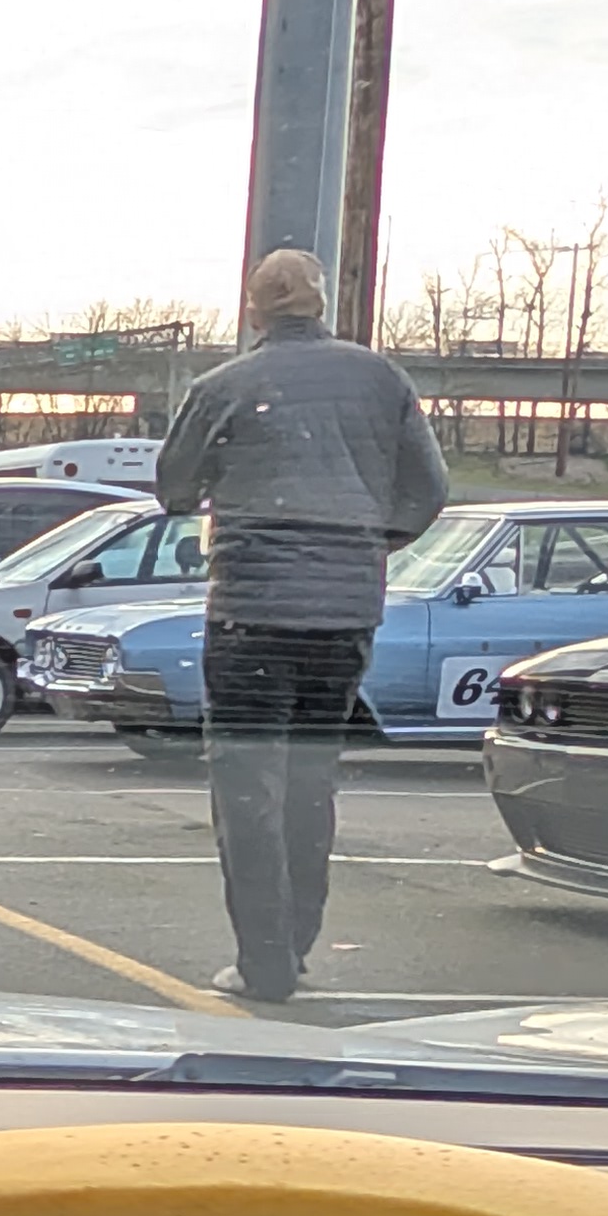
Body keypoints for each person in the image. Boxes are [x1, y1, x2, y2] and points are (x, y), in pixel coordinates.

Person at [145, 245, 443, 1005]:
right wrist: (370, 545)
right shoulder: (383, 379)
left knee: (247, 787)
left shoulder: (224, 387)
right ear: (321, 304)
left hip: (252, 610)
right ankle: (298, 944)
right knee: (313, 782)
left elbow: (174, 490)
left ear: (253, 309)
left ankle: (264, 960)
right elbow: (427, 490)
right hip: (344, 615)